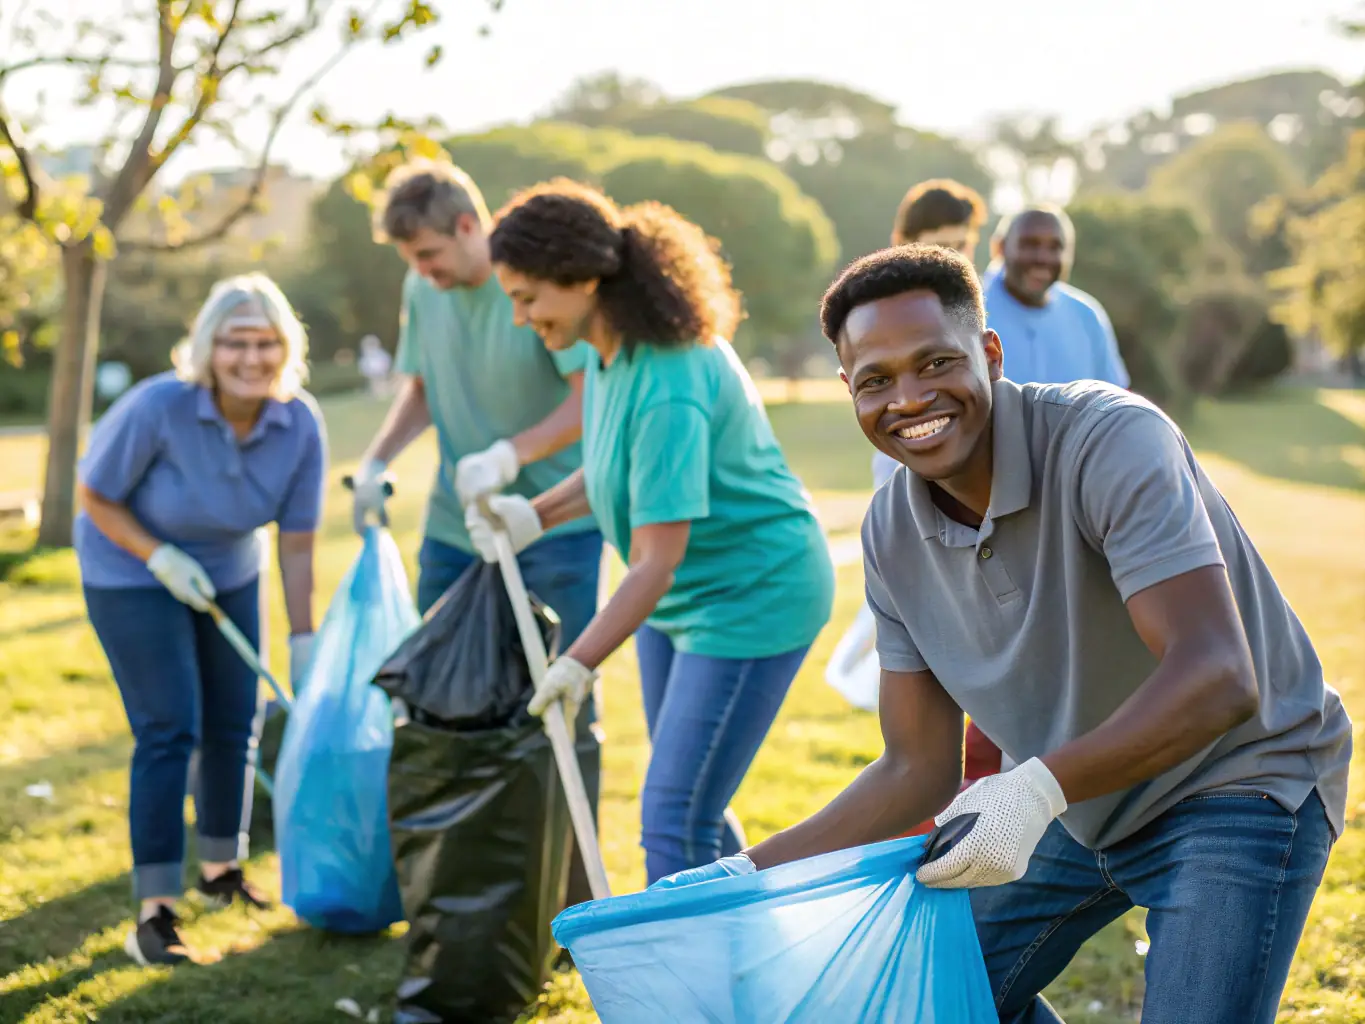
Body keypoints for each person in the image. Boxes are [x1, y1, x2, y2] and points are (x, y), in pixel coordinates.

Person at [660, 246, 1352, 1024]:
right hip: (1079, 797)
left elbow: (1219, 675)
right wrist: (743, 873)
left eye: (934, 363)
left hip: (1239, 778)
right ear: (847, 391)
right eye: (875, 379)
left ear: (989, 354)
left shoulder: (1106, 438)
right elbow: (913, 772)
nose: (909, 397)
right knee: (922, 1003)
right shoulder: (889, 536)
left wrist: (1032, 789)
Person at [467, 179, 836, 885]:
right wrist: (532, 517)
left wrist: (575, 662)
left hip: (752, 596)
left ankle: (695, 992)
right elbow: (616, 471)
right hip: (680, 601)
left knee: (673, 816)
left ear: (580, 279)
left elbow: (653, 562)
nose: (519, 318)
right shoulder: (607, 353)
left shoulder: (670, 377)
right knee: (694, 805)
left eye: (527, 297)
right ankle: (751, 957)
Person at [350, 158, 606, 909]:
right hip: (454, 531)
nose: (423, 272)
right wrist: (375, 458)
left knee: (559, 705)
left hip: (552, 525)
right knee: (439, 702)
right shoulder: (420, 289)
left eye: (429, 254)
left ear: (470, 226)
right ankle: (459, 879)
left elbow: (588, 399)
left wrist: (508, 455)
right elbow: (422, 389)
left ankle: (573, 896)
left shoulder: (529, 279)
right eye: (411, 261)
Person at [74, 273, 327, 967]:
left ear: (287, 347)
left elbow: (298, 542)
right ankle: (155, 913)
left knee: (234, 720)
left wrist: (303, 638)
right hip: (131, 569)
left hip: (230, 568)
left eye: (267, 343)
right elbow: (95, 494)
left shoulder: (298, 420)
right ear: (208, 348)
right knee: (170, 727)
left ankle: (221, 870)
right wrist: (158, 556)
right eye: (235, 343)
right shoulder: (159, 405)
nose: (252, 358)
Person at [984, 204, 1130, 389]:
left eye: (1055, 247)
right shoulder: (967, 312)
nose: (1042, 258)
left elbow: (1115, 403)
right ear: (1000, 247)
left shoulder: (1087, 317)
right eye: (1030, 244)